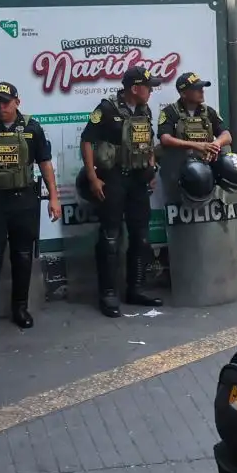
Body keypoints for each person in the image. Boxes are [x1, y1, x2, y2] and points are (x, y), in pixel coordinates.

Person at [0, 82, 59, 341]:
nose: (1, 107)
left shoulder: (31, 127)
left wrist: (54, 197)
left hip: (23, 200)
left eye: (6, 102)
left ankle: (20, 309)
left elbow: (45, 162)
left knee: (23, 257)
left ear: (17, 101)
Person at [80, 65, 160, 317]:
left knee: (141, 236)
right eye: (148, 86)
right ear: (135, 88)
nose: (151, 91)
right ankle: (108, 294)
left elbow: (147, 143)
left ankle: (135, 289)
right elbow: (87, 140)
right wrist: (93, 177)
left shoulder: (144, 111)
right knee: (110, 237)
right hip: (112, 178)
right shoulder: (106, 109)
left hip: (137, 180)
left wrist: (150, 170)